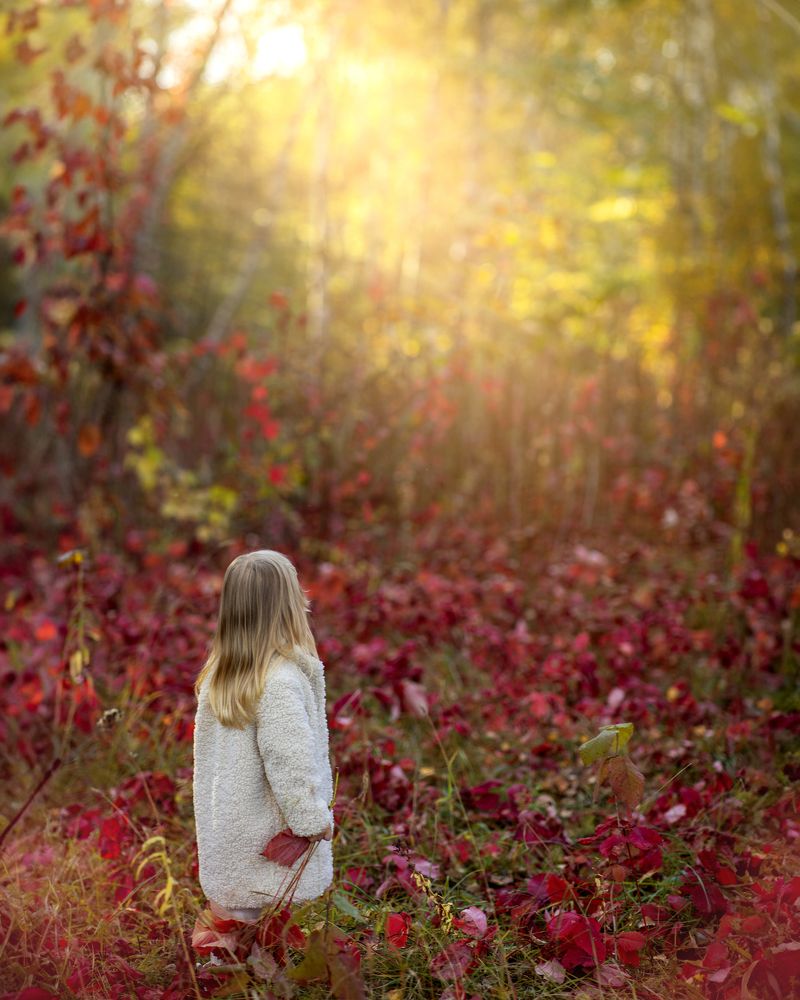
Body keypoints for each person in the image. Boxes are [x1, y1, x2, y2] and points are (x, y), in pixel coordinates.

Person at [191, 549, 335, 940]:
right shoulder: (281, 681)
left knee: (233, 915)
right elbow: (288, 759)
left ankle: (219, 969)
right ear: (290, 604)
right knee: (248, 926)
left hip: (229, 827)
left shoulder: (222, 674)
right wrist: (310, 818)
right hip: (265, 830)